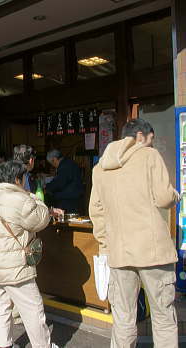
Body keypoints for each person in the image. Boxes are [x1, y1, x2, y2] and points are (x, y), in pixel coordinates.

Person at [89, 119, 179, 348]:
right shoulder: (149, 156)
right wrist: (176, 195)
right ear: (141, 136)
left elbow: (95, 210)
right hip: (153, 252)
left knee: (123, 318)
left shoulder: (100, 168)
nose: (151, 144)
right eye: (151, 139)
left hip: (119, 253)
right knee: (163, 317)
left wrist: (105, 242)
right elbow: (164, 197)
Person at [0, 161, 57, 348]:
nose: (24, 183)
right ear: (16, 179)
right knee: (33, 310)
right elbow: (41, 219)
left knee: (1, 309)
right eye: (23, 179)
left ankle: (5, 345)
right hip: (15, 268)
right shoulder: (20, 199)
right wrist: (36, 197)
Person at [46, 149, 83, 213]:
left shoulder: (64, 166)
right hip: (74, 197)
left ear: (54, 159)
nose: (53, 166)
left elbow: (59, 183)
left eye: (52, 163)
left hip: (68, 199)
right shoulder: (69, 163)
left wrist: (47, 188)